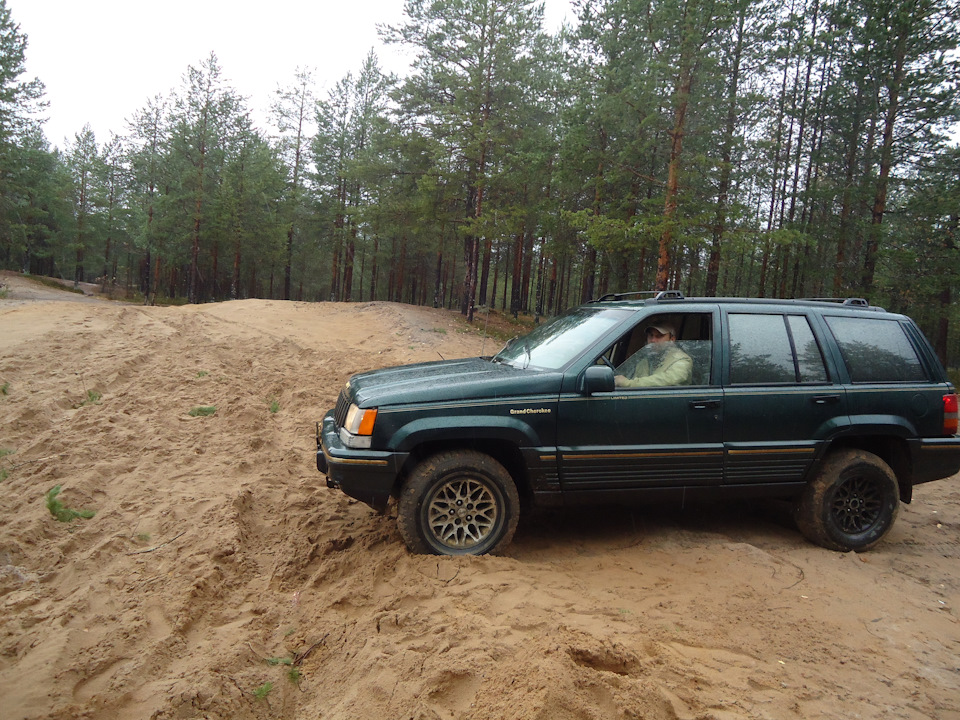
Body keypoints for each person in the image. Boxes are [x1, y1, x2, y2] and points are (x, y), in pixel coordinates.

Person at [614, 321, 692, 388]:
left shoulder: (682, 360)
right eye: (651, 335)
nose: (653, 340)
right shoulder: (644, 360)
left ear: (672, 340)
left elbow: (666, 380)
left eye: (659, 336)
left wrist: (628, 384)